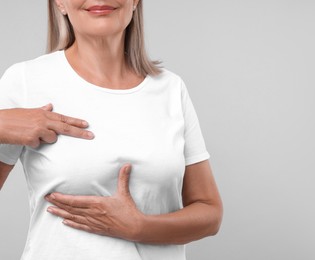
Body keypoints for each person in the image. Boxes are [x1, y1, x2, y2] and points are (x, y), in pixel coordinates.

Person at [0, 0, 223, 259]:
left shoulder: (170, 88)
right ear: (59, 2)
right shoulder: (25, 81)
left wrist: (139, 227)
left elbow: (210, 213)